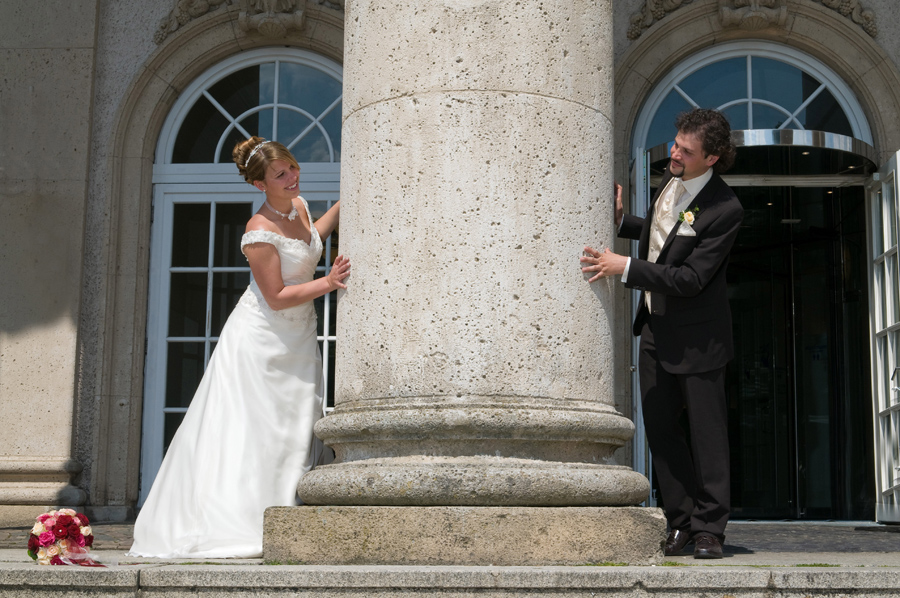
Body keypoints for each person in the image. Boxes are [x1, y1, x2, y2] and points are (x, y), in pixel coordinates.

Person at [128, 137, 349, 558]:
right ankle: (247, 518)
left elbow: (309, 243)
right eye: (280, 174)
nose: (292, 177)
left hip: (298, 337)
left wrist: (344, 204)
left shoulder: (299, 206)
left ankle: (288, 506)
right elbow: (277, 295)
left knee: (298, 417)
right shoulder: (258, 230)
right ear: (258, 186)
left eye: (292, 167)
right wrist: (330, 282)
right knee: (257, 425)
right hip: (261, 338)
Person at [581, 109, 743, 559]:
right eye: (675, 143)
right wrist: (622, 222)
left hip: (701, 340)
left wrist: (625, 267)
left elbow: (691, 278)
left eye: (686, 151)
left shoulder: (726, 209)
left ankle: (710, 529)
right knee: (660, 429)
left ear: (710, 158)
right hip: (655, 328)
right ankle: (681, 521)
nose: (674, 153)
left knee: (707, 436)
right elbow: (663, 239)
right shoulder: (671, 182)